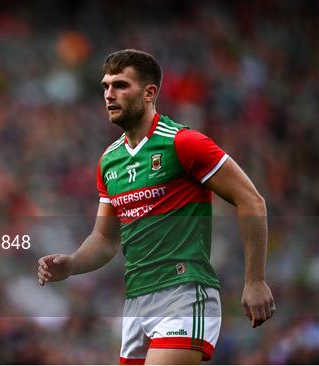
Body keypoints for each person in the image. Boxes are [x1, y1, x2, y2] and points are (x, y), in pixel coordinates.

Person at [37, 49, 275, 365]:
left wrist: (255, 280)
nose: (109, 94)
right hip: (136, 302)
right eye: (106, 86)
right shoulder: (109, 161)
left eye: (121, 85)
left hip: (184, 292)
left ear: (150, 93)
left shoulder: (183, 142)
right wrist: (72, 264)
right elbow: (106, 239)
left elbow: (251, 199)